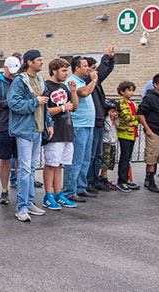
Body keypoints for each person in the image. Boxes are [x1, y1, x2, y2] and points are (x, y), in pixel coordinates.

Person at [8, 49, 54, 222]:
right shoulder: (20, 81)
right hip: (25, 130)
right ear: (29, 62)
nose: (42, 62)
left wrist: (49, 124)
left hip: (37, 129)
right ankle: (22, 207)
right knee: (25, 169)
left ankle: (29, 202)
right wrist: (35, 101)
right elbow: (13, 103)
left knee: (32, 168)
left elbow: (45, 104)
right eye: (39, 60)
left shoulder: (40, 80)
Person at [41, 58, 78, 211]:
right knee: (51, 163)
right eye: (63, 70)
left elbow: (74, 107)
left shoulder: (64, 87)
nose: (66, 73)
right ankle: (48, 194)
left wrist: (73, 91)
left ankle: (58, 193)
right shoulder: (46, 86)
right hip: (54, 131)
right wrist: (62, 108)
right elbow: (44, 110)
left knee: (60, 164)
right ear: (54, 70)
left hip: (67, 130)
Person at [62, 56, 97, 203]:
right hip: (79, 126)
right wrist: (94, 80)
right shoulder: (72, 81)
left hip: (88, 125)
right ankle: (70, 189)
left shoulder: (82, 81)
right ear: (77, 68)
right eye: (85, 66)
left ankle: (81, 187)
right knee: (76, 159)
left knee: (85, 158)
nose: (88, 69)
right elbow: (83, 93)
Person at [0, 55, 21, 204]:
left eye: (16, 70)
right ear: (5, 68)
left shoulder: (20, 80)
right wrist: (8, 103)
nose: (13, 73)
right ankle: (4, 190)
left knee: (21, 159)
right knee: (5, 159)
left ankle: (21, 189)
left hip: (20, 125)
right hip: (4, 126)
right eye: (11, 70)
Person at [85, 46, 116, 193]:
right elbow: (102, 73)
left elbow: (106, 72)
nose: (95, 72)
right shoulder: (86, 81)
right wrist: (105, 57)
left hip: (99, 121)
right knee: (90, 155)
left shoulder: (95, 83)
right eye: (92, 68)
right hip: (91, 122)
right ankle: (88, 181)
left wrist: (110, 59)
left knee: (98, 154)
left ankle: (95, 179)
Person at [114, 81, 141, 192]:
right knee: (124, 157)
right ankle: (121, 181)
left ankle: (127, 178)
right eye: (129, 90)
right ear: (122, 91)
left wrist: (135, 122)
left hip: (132, 133)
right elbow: (127, 117)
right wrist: (134, 119)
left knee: (128, 158)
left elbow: (138, 117)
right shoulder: (120, 103)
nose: (131, 93)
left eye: (132, 90)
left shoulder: (133, 104)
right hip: (124, 133)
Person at [98, 101, 119, 190]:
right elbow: (107, 128)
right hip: (106, 142)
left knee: (110, 161)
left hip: (113, 142)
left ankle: (105, 177)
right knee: (105, 162)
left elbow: (118, 125)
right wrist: (108, 117)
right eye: (113, 111)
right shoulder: (107, 120)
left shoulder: (115, 120)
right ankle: (103, 178)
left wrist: (116, 118)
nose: (114, 114)